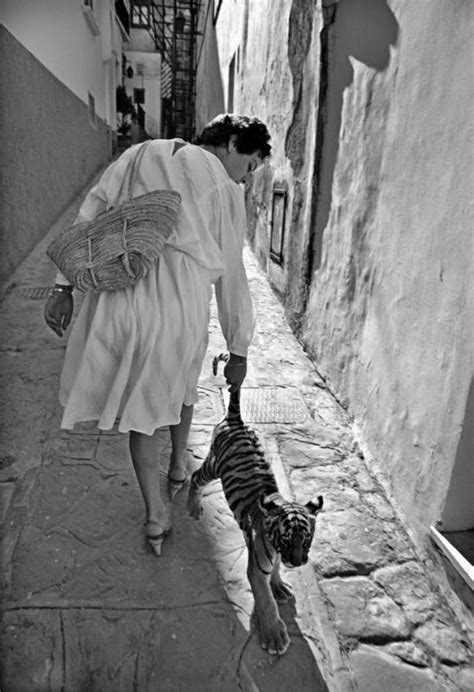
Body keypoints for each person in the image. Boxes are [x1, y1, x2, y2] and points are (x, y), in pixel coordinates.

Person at [44, 113, 272, 556]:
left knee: (143, 409)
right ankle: (177, 467)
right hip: (178, 304)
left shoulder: (138, 154)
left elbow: (89, 214)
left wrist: (62, 285)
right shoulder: (224, 188)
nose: (245, 179)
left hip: (121, 294)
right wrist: (238, 345)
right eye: (250, 167)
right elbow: (232, 276)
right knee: (181, 385)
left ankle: (155, 515)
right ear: (230, 145)